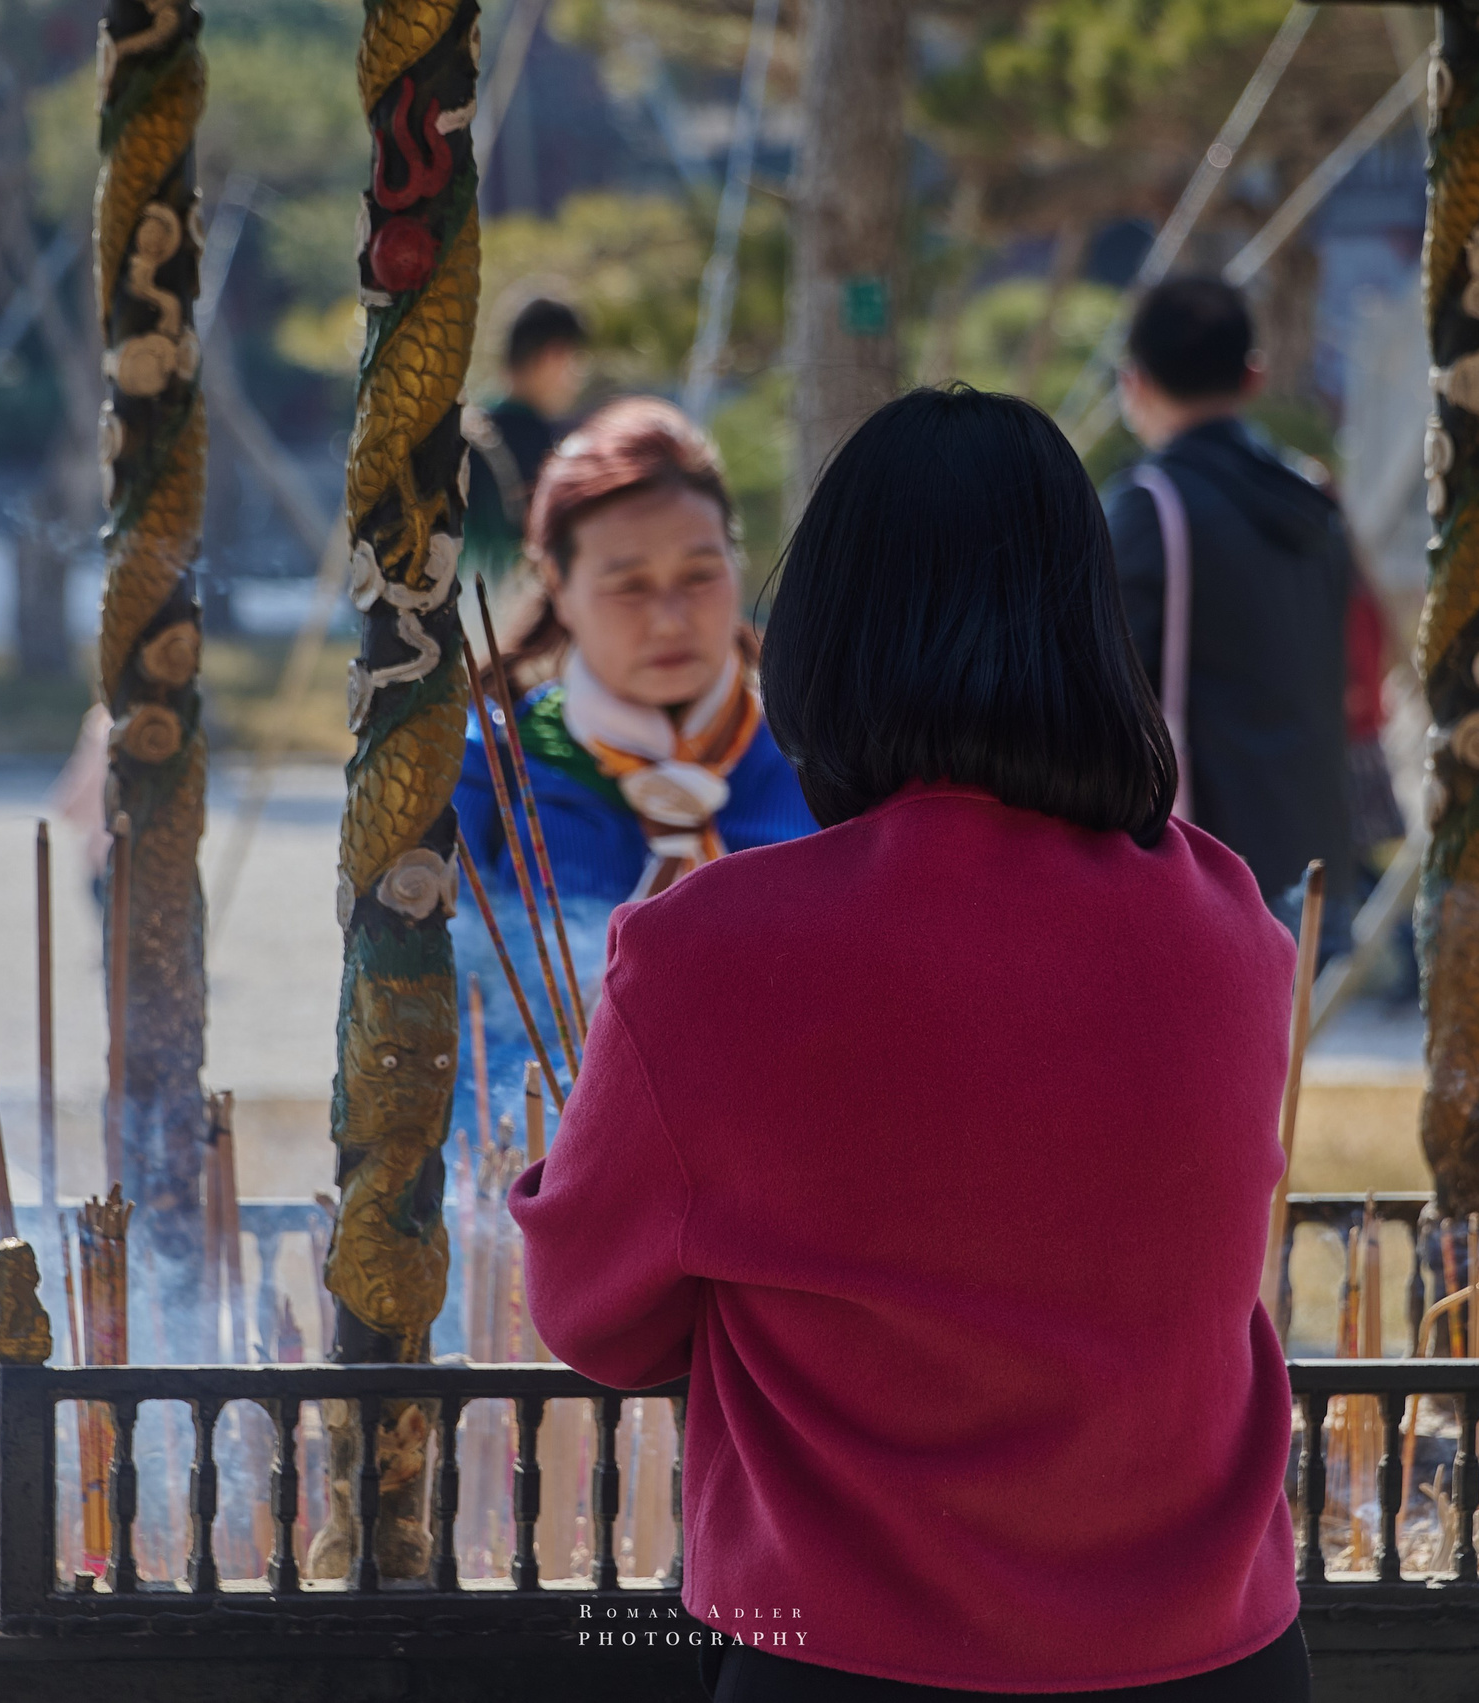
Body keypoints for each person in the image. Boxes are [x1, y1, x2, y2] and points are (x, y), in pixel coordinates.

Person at [510, 388, 1307, 1699]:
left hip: (857, 1657)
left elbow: (595, 1316)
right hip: (1212, 1654)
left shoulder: (712, 949)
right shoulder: (1229, 924)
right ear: (1091, 633)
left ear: (820, 637)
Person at [439, 397, 813, 1359]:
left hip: (786, 1250)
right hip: (531, 1246)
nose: (674, 615)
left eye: (700, 572)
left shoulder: (826, 771)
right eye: (628, 584)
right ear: (555, 584)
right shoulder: (488, 779)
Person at [1107, 275, 1353, 948]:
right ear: (1252, 377)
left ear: (1135, 381)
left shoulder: (1149, 506)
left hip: (1200, 854)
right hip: (1313, 843)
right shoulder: (1313, 503)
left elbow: (1104, 689)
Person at [462, 298, 589, 575]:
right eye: (574, 361)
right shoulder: (550, 452)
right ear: (553, 356)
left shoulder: (461, 436)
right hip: (515, 612)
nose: (578, 377)